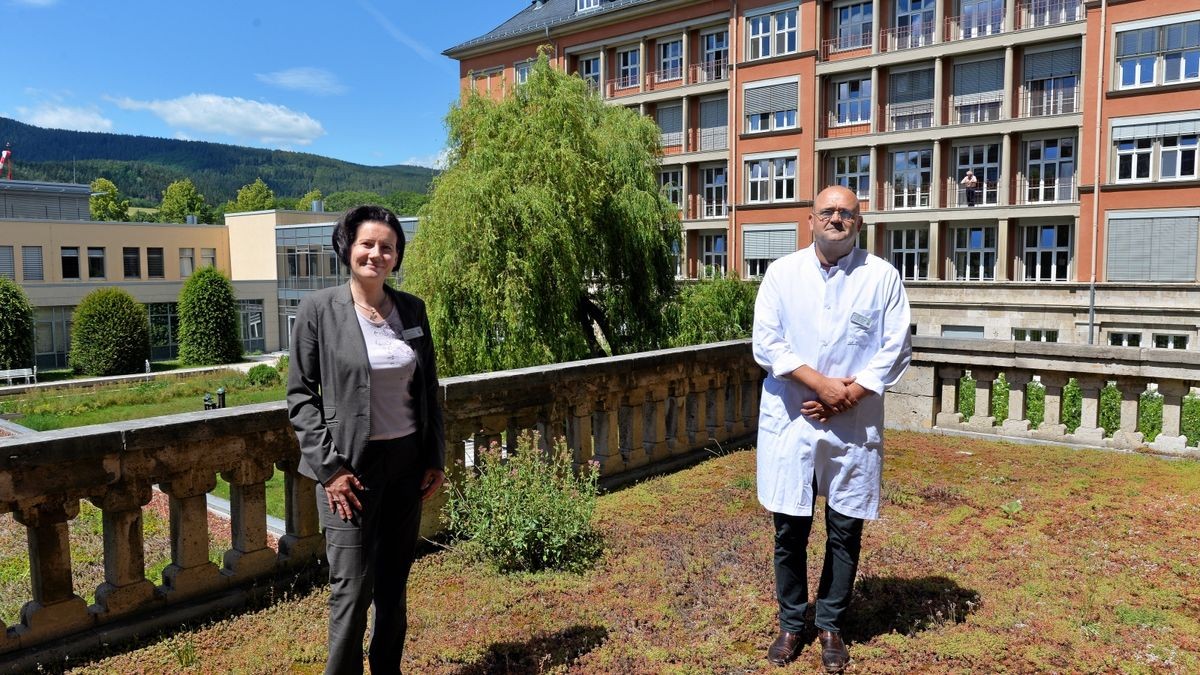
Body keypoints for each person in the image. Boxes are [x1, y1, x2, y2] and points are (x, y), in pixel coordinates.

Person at [752, 185, 911, 672]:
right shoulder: (782, 274)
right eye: (828, 211)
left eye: (846, 213)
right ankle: (791, 623)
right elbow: (767, 342)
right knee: (790, 530)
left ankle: (832, 626)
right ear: (811, 219)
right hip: (792, 416)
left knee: (844, 530)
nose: (836, 219)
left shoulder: (881, 276)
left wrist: (850, 395)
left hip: (853, 423)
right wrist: (820, 384)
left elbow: (895, 347)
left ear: (859, 223)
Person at [288, 204, 445, 674]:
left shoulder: (412, 309)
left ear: (396, 256)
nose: (376, 254)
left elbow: (430, 389)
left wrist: (434, 455)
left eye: (387, 247)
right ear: (348, 248)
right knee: (353, 590)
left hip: (406, 465)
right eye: (367, 244)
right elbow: (300, 396)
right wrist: (330, 470)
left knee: (393, 587)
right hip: (348, 469)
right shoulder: (319, 310)